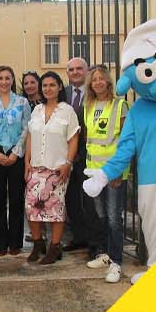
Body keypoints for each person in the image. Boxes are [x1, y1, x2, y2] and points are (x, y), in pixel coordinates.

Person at [79, 63, 129, 282]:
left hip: (113, 172)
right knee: (101, 216)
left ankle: (116, 263)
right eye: (94, 79)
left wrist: (118, 171)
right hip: (93, 172)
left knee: (113, 219)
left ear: (108, 81)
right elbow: (89, 140)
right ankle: (107, 255)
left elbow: (126, 142)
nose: (98, 82)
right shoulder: (88, 105)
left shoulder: (120, 105)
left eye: (101, 78)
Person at [24, 71, 78, 264]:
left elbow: (73, 139)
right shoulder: (37, 110)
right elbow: (30, 135)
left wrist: (68, 163)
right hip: (36, 167)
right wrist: (26, 162)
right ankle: (38, 244)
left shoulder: (67, 111)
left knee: (55, 209)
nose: (48, 89)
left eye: (52, 85)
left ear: (60, 87)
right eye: (45, 85)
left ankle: (55, 247)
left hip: (57, 168)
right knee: (31, 207)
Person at [0, 66, 30, 256]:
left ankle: (15, 243)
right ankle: (1, 244)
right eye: (0, 78)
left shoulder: (22, 102)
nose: (4, 81)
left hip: (16, 155)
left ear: (12, 80)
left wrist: (16, 152)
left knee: (17, 199)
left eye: (7, 78)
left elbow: (27, 128)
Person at [60, 55, 99, 253]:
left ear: (86, 71)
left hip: (88, 155)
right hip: (66, 155)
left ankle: (94, 242)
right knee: (71, 199)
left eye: (79, 69)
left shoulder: (95, 92)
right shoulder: (62, 93)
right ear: (67, 73)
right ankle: (78, 237)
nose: (75, 72)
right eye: (71, 69)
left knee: (89, 200)